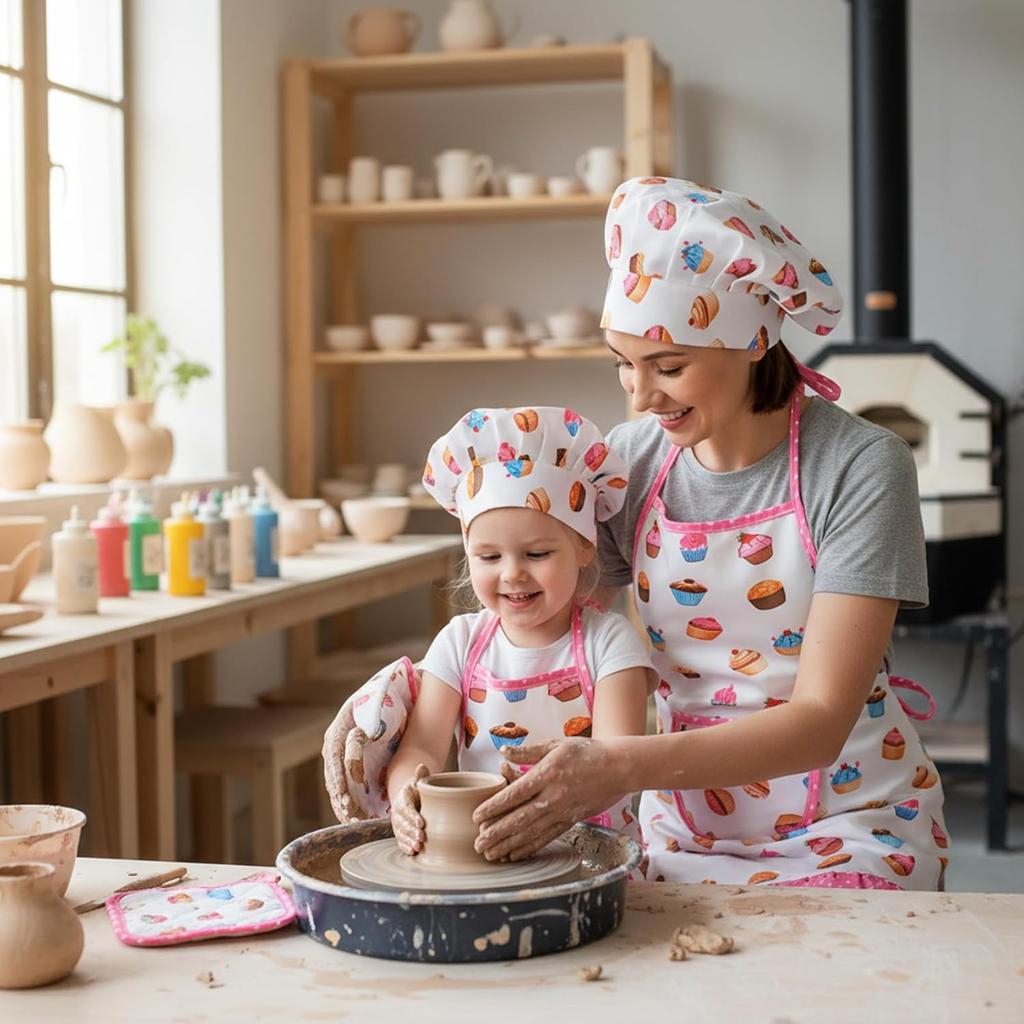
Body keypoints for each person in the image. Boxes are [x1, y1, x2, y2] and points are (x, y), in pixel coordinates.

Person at [470, 176, 950, 890]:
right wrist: (407, 699)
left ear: (753, 342)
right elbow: (540, 631)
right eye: (624, 366)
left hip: (853, 821)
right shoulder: (629, 464)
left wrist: (619, 765)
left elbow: (820, 721)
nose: (639, 396)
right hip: (684, 823)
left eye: (668, 366)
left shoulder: (860, 465)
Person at [382, 406, 656, 855]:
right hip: (487, 852)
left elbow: (615, 766)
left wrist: (541, 803)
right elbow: (422, 749)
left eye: (537, 554)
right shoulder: (459, 642)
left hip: (592, 857)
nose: (512, 574)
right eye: (489, 558)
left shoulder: (609, 644)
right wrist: (406, 795)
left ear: (584, 547)